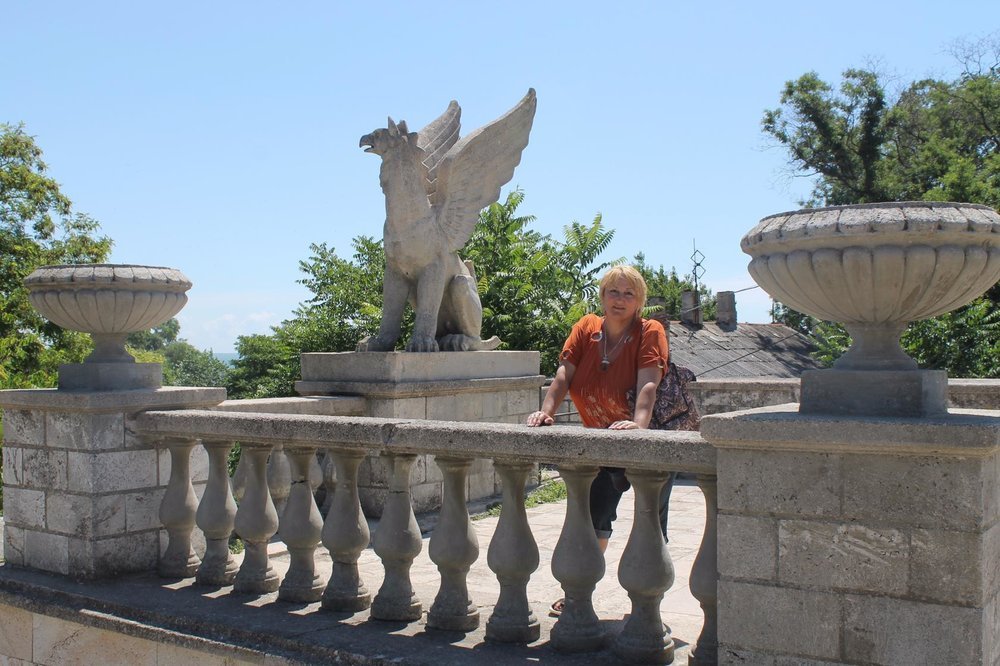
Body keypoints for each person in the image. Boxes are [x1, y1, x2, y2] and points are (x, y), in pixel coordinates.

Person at [526, 265, 669, 615]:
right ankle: (579, 592)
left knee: (652, 522)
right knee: (594, 519)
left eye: (629, 293)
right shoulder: (586, 328)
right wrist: (546, 412)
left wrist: (637, 426)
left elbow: (649, 384)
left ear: (639, 301)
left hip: (649, 439)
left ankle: (649, 604)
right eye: (613, 292)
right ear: (602, 296)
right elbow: (563, 374)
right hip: (601, 441)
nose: (620, 299)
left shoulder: (649, 331)